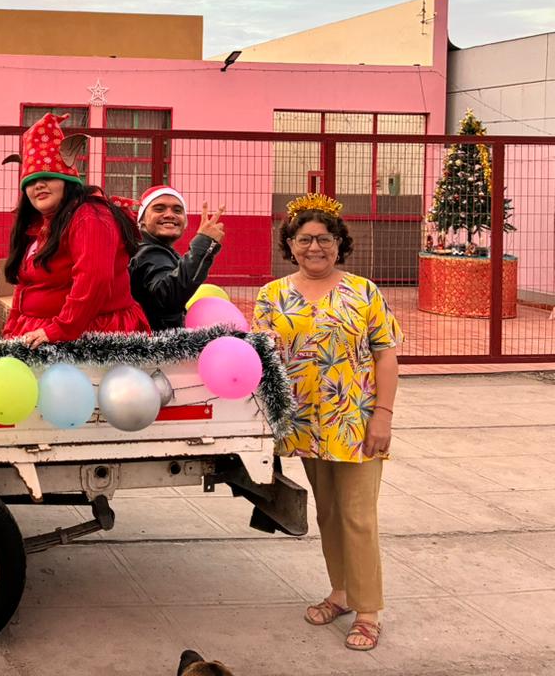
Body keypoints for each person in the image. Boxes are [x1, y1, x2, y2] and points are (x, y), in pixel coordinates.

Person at [252, 194, 402, 653]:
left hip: (356, 422)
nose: (314, 247)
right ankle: (340, 593)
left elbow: (386, 354)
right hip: (304, 424)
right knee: (328, 513)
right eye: (304, 239)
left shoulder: (363, 292)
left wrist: (384, 416)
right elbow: (258, 357)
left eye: (324, 238)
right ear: (290, 245)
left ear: (340, 243)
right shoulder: (271, 296)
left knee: (358, 516)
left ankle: (369, 610)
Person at [1, 114, 150, 347]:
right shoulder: (38, 226)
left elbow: (94, 278)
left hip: (87, 337)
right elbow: (25, 285)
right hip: (44, 335)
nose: (38, 185)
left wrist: (60, 329)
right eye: (30, 181)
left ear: (67, 180)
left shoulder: (90, 216)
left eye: (48, 176)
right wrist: (12, 329)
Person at [130, 185, 225, 330]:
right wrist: (203, 243)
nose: (169, 215)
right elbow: (168, 298)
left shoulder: (152, 249)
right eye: (159, 208)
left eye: (177, 210)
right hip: (157, 349)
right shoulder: (149, 253)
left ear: (185, 223)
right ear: (141, 219)